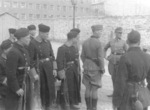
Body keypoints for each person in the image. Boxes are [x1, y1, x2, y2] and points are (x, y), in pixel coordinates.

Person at [113, 30, 150, 110]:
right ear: (139, 42)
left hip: (128, 94)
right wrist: (147, 93)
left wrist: (116, 102)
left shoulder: (125, 57)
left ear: (127, 41)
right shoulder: (148, 57)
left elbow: (120, 82)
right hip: (143, 93)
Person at [28, 24, 57, 110]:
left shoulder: (48, 42)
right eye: (46, 34)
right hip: (39, 69)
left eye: (48, 34)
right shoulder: (32, 43)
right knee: (41, 89)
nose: (47, 36)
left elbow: (52, 56)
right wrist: (34, 73)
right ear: (40, 33)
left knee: (50, 87)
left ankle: (48, 105)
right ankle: (42, 106)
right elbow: (30, 60)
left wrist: (54, 68)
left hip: (49, 67)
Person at [5, 28, 31, 110]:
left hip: (24, 83)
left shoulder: (23, 49)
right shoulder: (13, 52)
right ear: (21, 38)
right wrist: (16, 88)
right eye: (27, 38)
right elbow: (10, 73)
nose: (29, 40)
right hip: (17, 86)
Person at [81, 25, 105, 110]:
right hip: (96, 67)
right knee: (94, 89)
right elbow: (100, 58)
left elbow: (82, 56)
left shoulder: (85, 42)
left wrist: (87, 63)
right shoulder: (99, 43)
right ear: (96, 31)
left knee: (88, 88)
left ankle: (88, 108)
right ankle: (94, 108)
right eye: (100, 31)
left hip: (87, 66)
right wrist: (102, 68)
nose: (101, 33)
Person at [56, 31, 81, 110]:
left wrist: (78, 70)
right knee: (65, 88)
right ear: (73, 38)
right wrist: (61, 74)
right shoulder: (62, 48)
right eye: (77, 38)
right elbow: (59, 62)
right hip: (66, 71)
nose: (78, 40)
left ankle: (72, 103)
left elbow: (76, 59)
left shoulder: (73, 47)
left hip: (73, 70)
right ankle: (64, 105)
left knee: (73, 87)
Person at [104, 27, 128, 97]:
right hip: (112, 61)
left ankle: (120, 93)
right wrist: (104, 56)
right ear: (115, 33)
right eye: (119, 33)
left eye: (121, 33)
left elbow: (127, 52)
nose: (120, 34)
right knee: (113, 77)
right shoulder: (111, 41)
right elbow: (104, 48)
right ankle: (114, 92)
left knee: (120, 78)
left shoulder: (123, 42)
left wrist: (124, 60)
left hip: (120, 62)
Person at [0, 40, 12, 110]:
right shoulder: (0, 61)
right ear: (5, 50)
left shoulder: (11, 58)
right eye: (11, 49)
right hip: (4, 88)